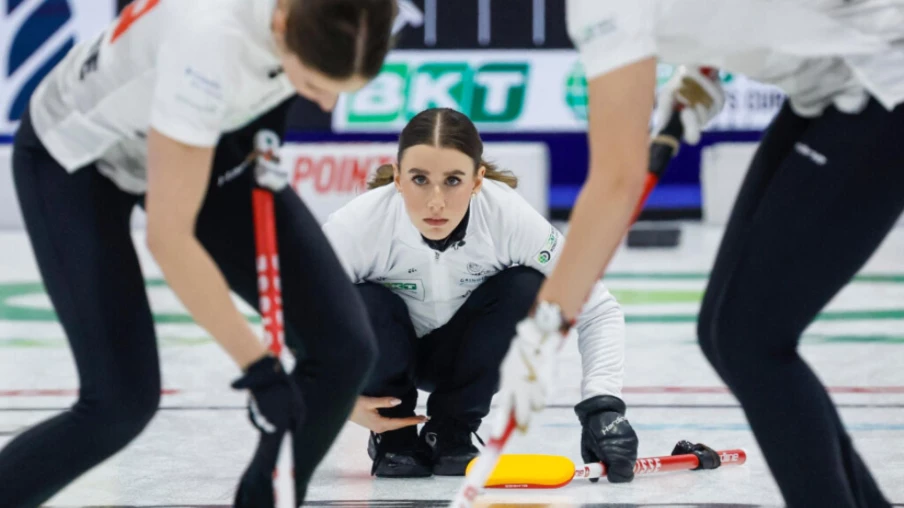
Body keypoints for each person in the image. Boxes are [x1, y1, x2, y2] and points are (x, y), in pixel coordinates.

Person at [495, 1, 904, 506]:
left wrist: (542, 330)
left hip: (884, 86)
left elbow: (616, 183)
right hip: (832, 88)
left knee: (750, 340)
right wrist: (700, 67)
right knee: (727, 334)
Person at [0, 0, 396, 506]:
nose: (323, 105)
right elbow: (170, 240)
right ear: (280, 23)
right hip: (77, 158)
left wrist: (325, 389)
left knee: (343, 350)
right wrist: (261, 371)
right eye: (315, 84)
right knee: (119, 403)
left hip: (203, 132)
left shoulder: (325, 23)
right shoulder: (209, 42)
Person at [321, 107, 638, 480]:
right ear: (399, 179)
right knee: (361, 300)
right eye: (420, 179)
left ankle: (452, 429)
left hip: (466, 356)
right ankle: (394, 436)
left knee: (527, 286)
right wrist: (339, 401)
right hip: (386, 352)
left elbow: (597, 308)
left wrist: (602, 407)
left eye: (453, 181)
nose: (435, 201)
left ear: (477, 180)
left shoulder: (508, 218)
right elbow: (298, 318)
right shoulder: (357, 227)